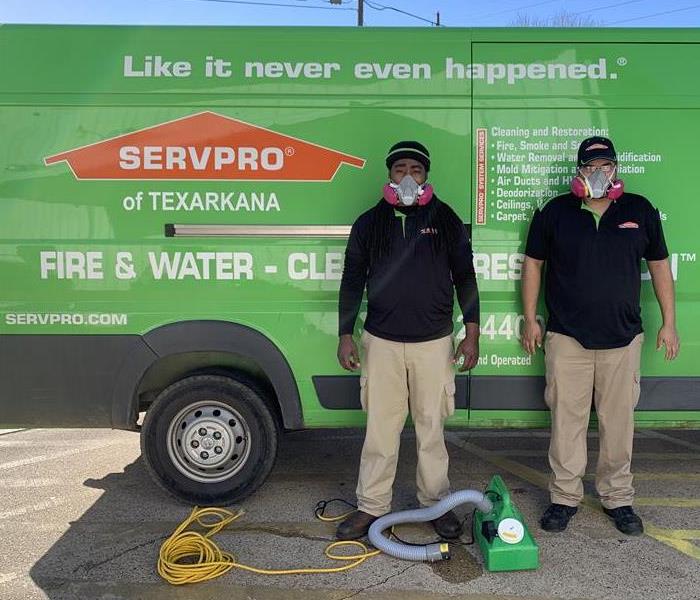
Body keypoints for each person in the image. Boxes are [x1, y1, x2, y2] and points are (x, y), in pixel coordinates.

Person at [521, 136, 680, 536]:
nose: (598, 173)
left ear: (616, 170)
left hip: (623, 340)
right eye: (590, 166)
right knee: (566, 422)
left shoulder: (639, 210)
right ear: (578, 172)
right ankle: (563, 498)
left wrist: (670, 322)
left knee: (618, 424)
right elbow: (534, 264)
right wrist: (530, 318)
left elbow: (660, 266)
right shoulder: (555, 212)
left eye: (605, 165)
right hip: (566, 338)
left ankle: (618, 498)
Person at [335, 140, 480, 541]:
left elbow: (465, 277)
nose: (408, 178)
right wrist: (346, 333)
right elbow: (351, 281)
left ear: (426, 177)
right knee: (380, 430)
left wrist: (472, 333)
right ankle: (371, 507)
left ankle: (436, 505)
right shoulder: (369, 223)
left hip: (434, 344)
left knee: (431, 429)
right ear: (389, 177)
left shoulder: (445, 218)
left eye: (416, 170)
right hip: (380, 342)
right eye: (401, 170)